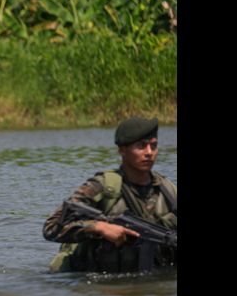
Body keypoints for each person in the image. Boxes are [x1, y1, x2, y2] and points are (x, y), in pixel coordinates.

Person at [43, 117, 177, 273]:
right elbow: (51, 228)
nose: (149, 152)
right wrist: (99, 227)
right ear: (122, 150)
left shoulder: (168, 191)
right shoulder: (104, 187)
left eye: (153, 146)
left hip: (153, 279)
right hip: (101, 281)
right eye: (141, 146)